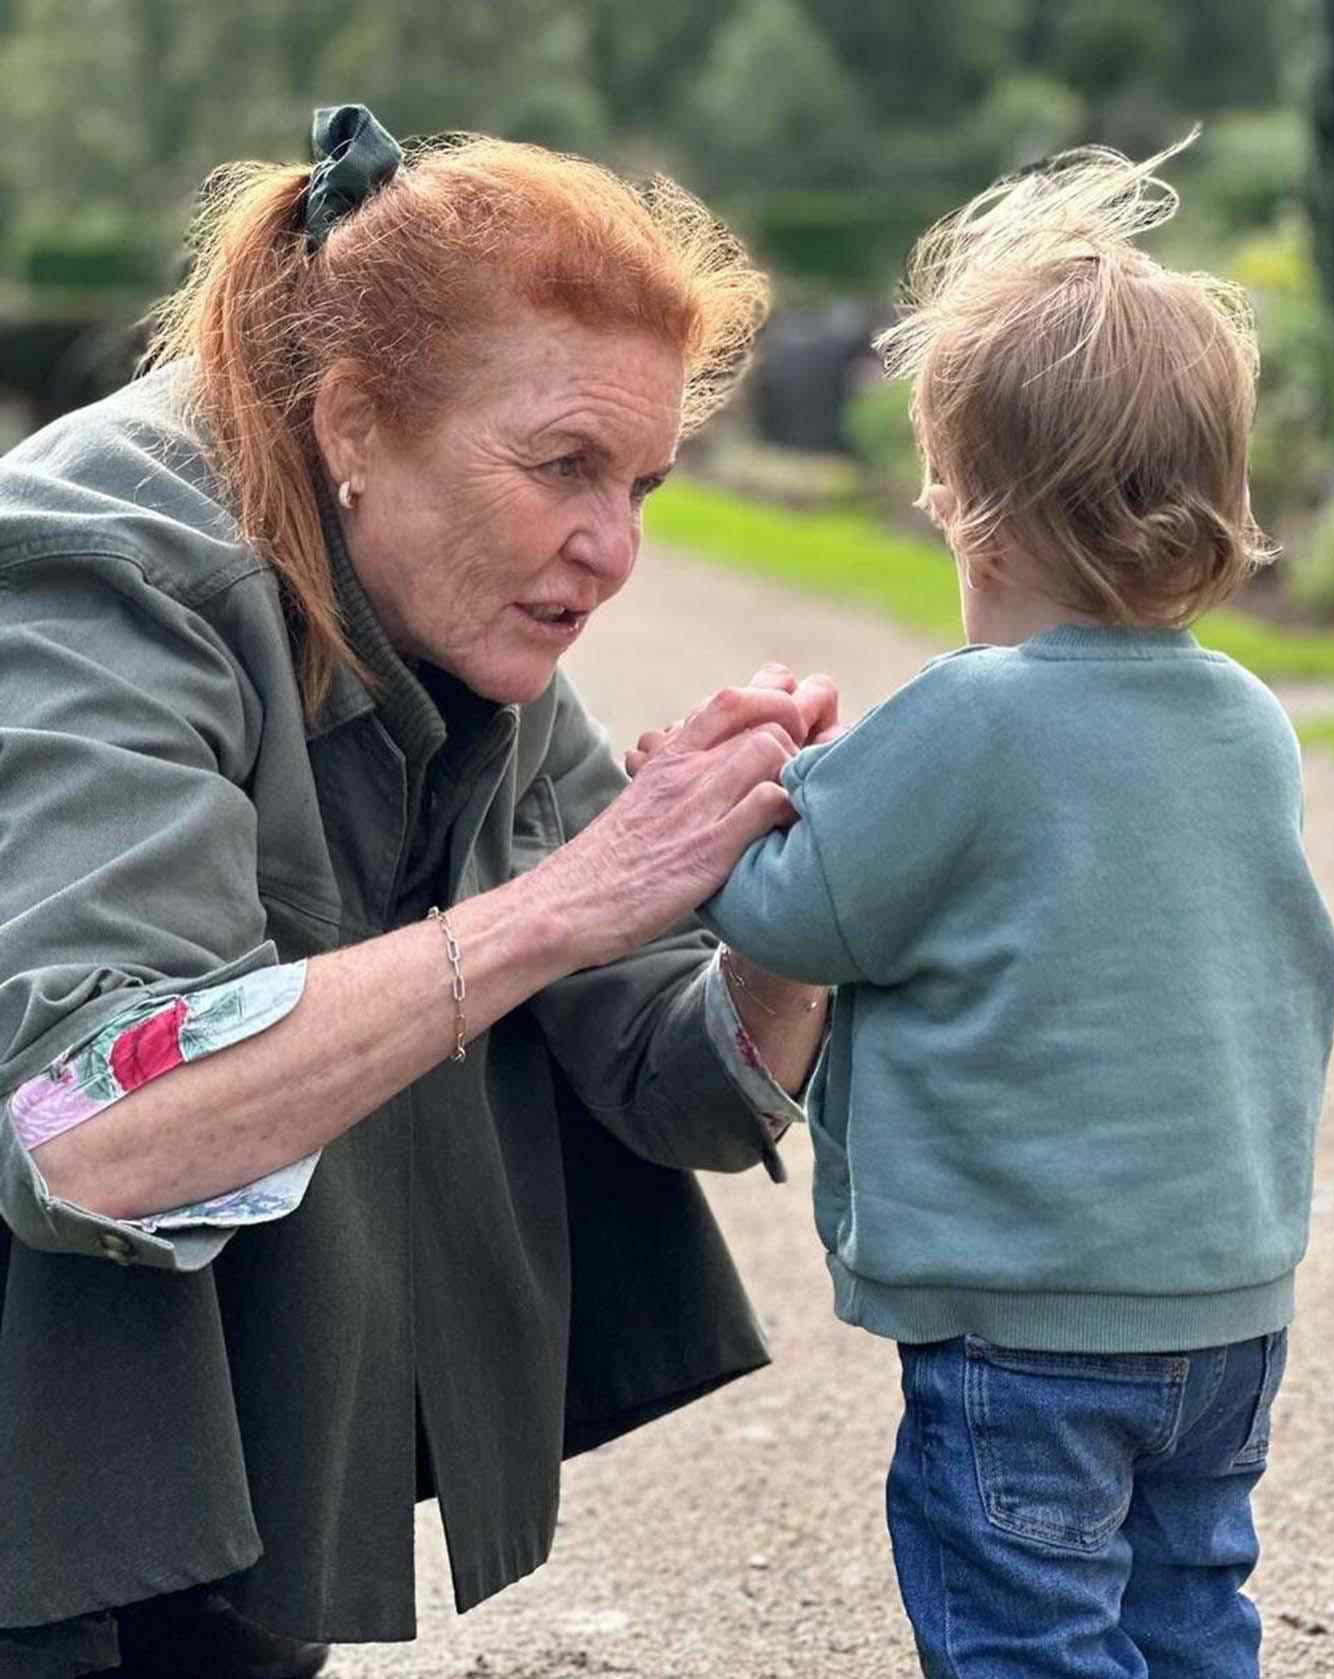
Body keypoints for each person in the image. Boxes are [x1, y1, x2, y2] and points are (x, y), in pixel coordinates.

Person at [0, 106, 839, 1679]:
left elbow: (681, 1091)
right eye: (565, 467)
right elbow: (84, 1133)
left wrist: (802, 905)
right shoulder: (93, 566)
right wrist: (570, 901)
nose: (614, 549)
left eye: (646, 483)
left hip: (240, 1493)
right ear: (355, 426)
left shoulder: (452, 600)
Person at [690, 140, 1334, 1678]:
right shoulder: (1249, 718)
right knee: (1188, 1608)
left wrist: (726, 798)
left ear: (967, 511)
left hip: (1028, 1321)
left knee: (1028, 1636)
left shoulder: (971, 717)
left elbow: (797, 918)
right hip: (1224, 1302)